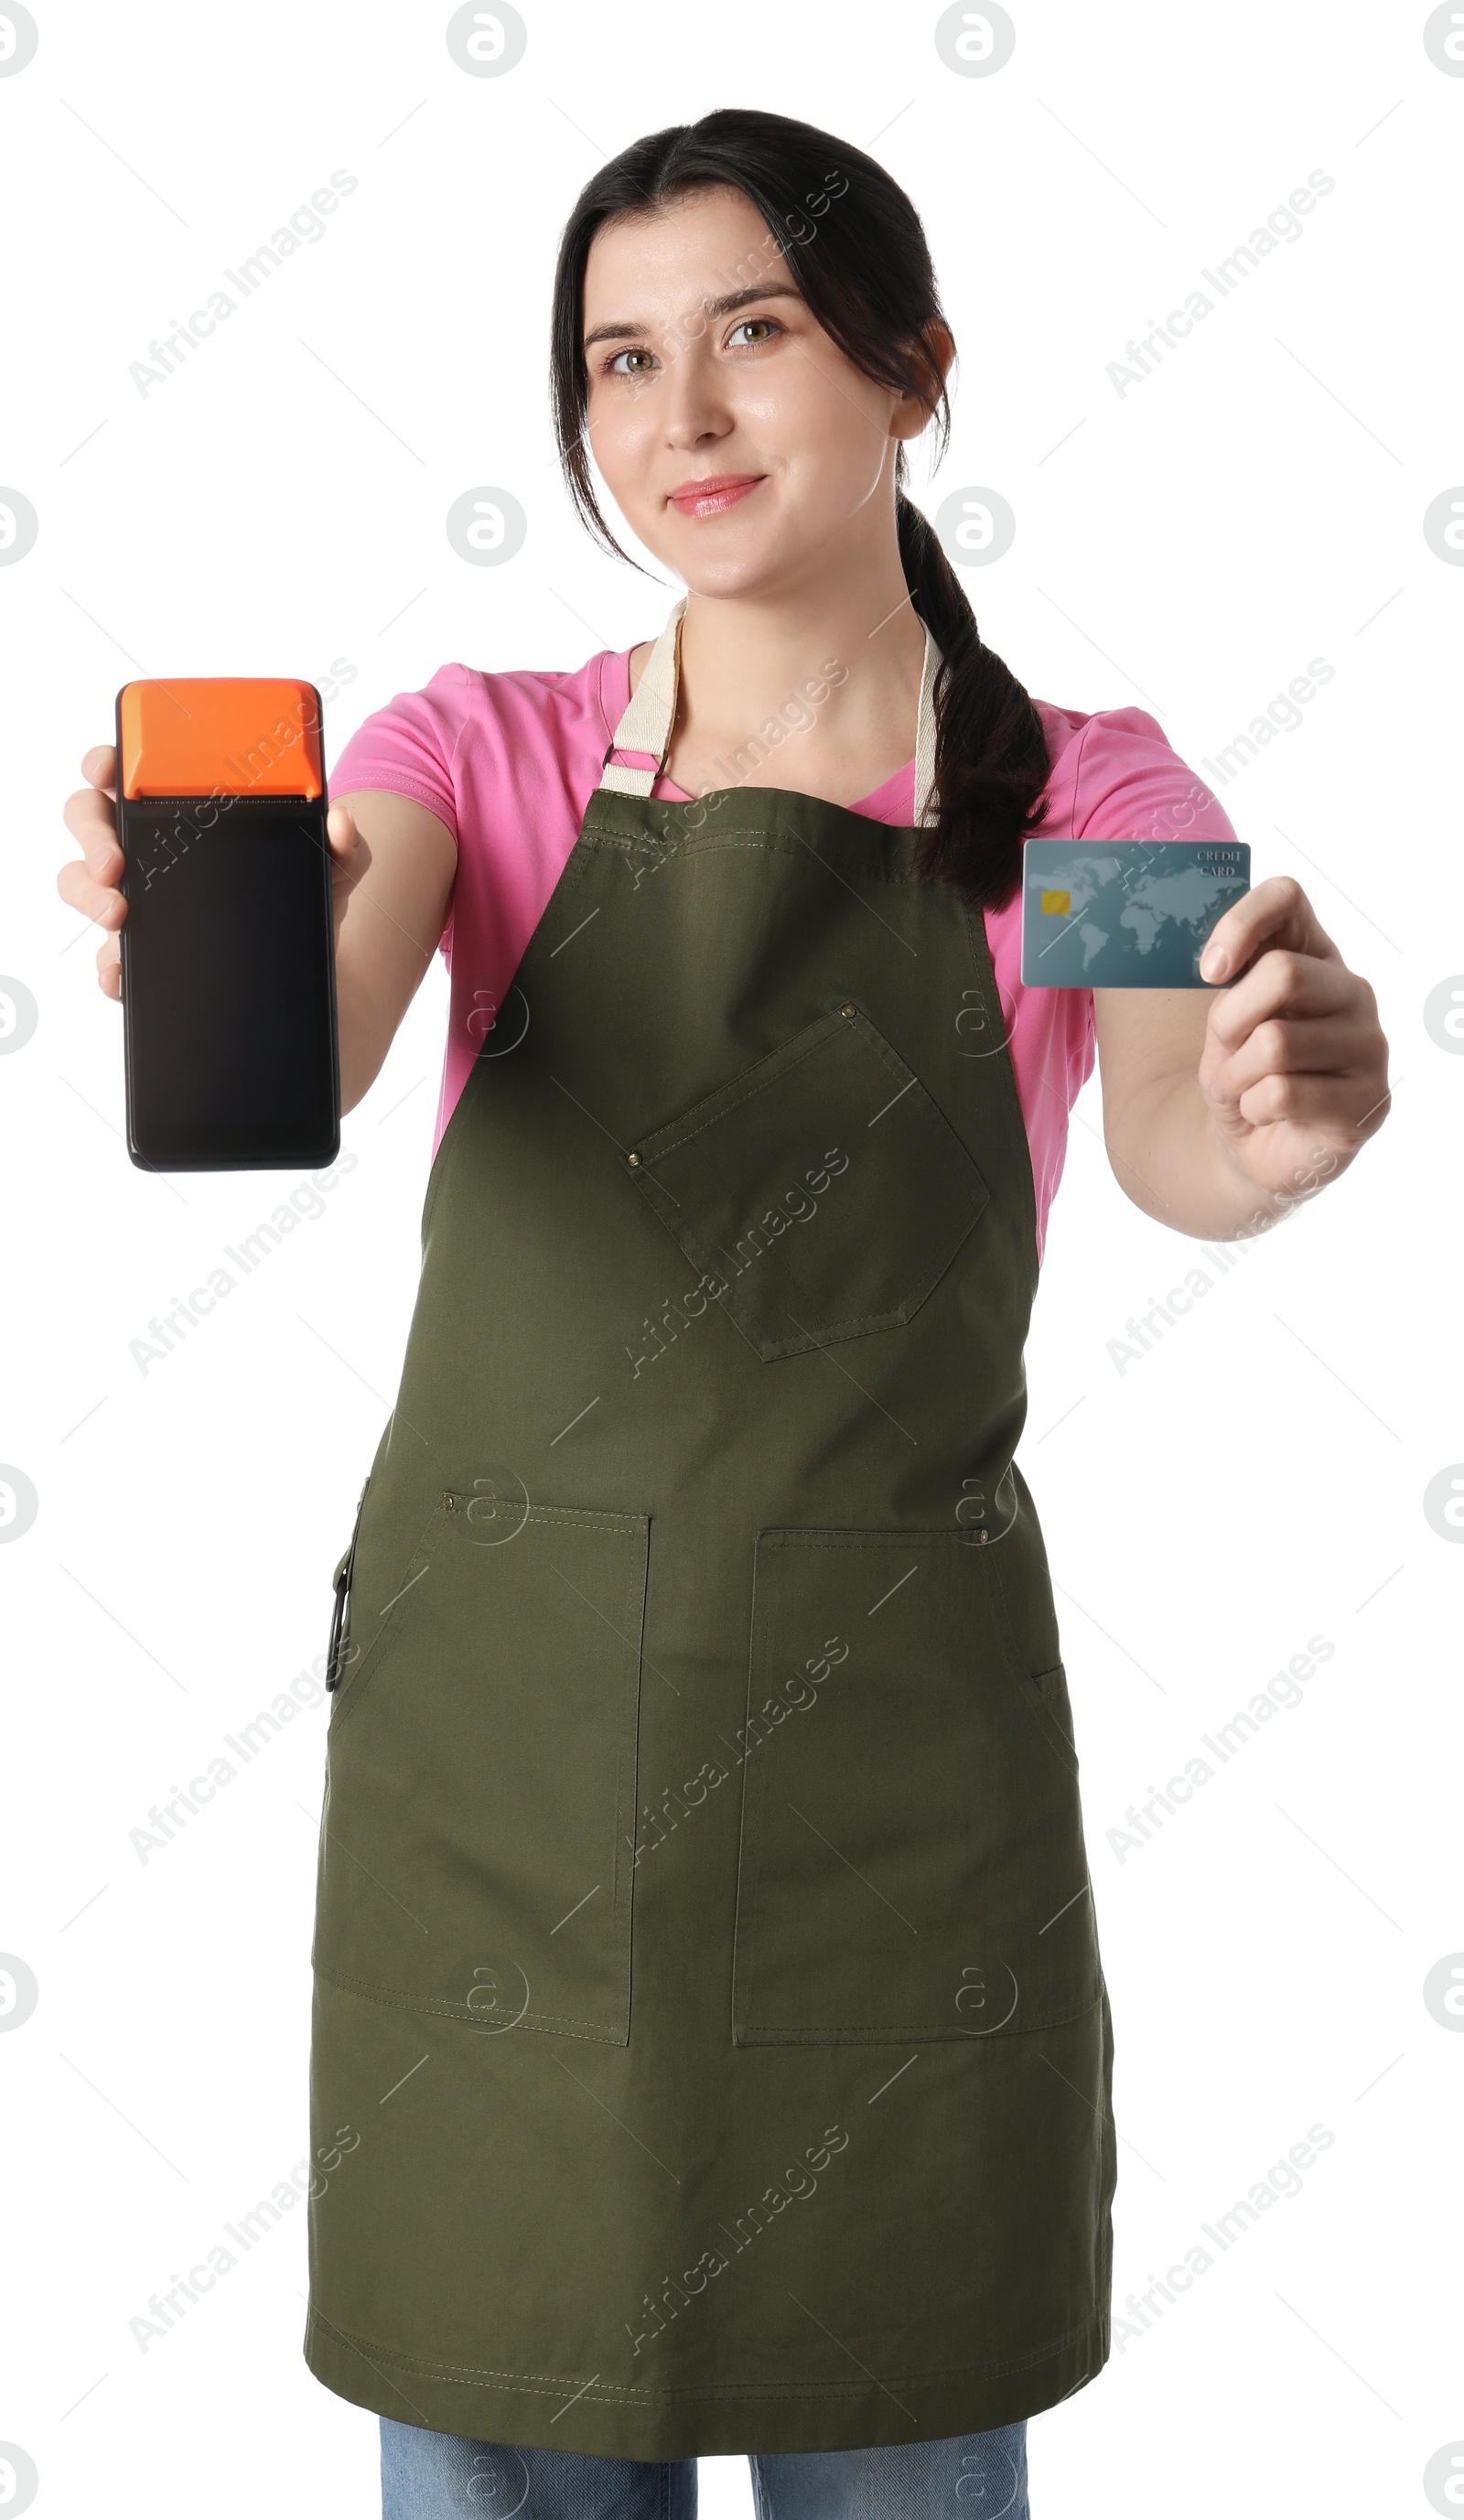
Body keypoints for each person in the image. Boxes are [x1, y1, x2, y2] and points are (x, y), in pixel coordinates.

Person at [59, 108, 1388, 2520]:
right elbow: (321, 1033)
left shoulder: (1081, 808)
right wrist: (216, 940)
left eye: (753, 334)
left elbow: (1193, 1121)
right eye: (619, 361)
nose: (678, 419)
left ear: (910, 365)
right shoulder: (482, 756)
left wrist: (1288, 1124)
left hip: (898, 1825)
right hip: (506, 1808)